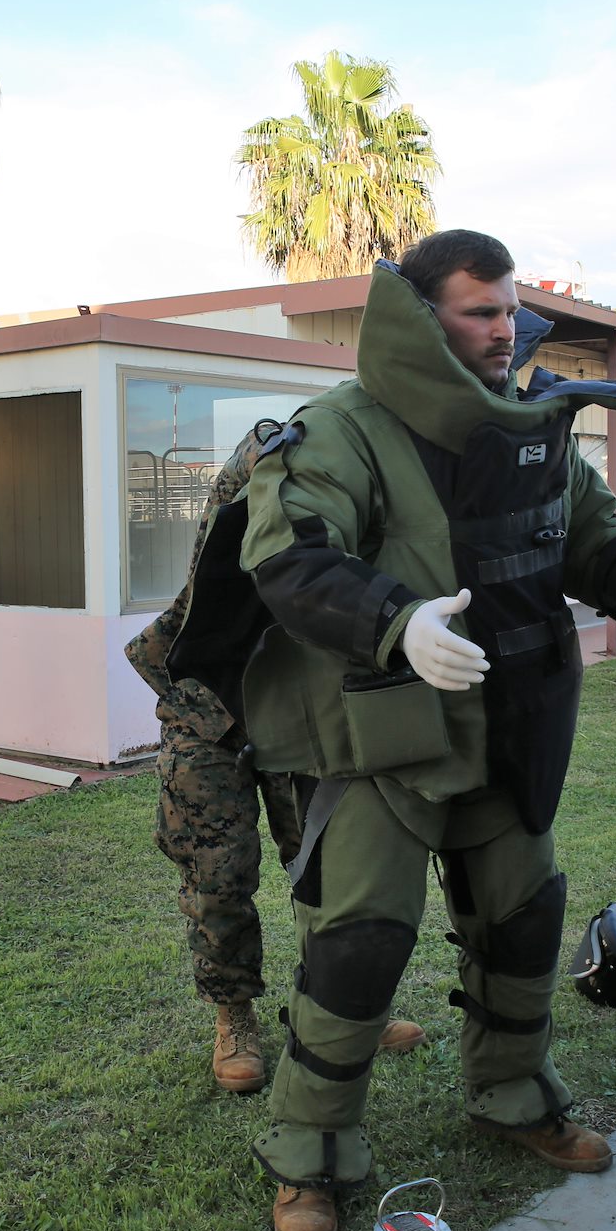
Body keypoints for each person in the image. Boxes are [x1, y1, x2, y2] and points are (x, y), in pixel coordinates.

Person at [235, 230, 616, 1231]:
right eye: (480, 308)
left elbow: (590, 537)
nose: (505, 326)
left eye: (510, 306)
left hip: (507, 729)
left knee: (521, 923)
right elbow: (289, 554)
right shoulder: (343, 428)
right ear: (419, 319)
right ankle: (309, 1154)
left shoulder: (531, 426)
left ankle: (514, 1097)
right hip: (387, 739)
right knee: (356, 949)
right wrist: (398, 621)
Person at [125, 431, 427, 1098]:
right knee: (219, 873)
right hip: (209, 708)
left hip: (296, 709)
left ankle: (335, 1010)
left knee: (326, 867)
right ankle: (234, 1016)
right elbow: (246, 462)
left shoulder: (358, 518)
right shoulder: (271, 461)